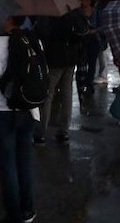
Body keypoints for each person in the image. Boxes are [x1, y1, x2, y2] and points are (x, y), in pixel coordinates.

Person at [0, 16, 40, 223]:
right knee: (24, 161)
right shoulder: (34, 40)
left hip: (3, 112)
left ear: (7, 19)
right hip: (30, 111)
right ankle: (28, 210)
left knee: (7, 166)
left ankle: (14, 214)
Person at [33, 9, 87, 146]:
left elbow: (43, 32)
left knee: (48, 95)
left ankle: (41, 133)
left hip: (54, 59)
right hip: (71, 58)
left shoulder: (48, 13)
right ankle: (64, 131)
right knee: (66, 94)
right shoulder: (72, 11)